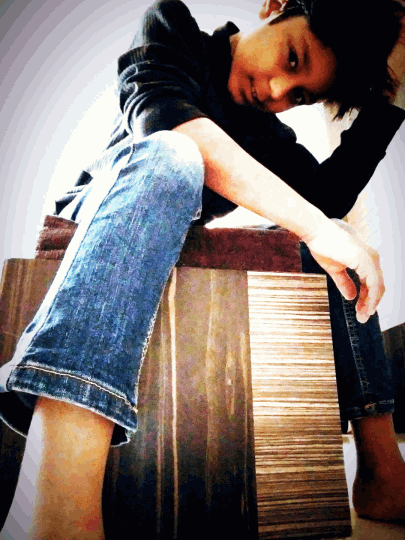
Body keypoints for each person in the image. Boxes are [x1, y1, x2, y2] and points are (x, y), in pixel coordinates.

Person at [1, 0, 405, 537]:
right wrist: (315, 225)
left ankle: (382, 471)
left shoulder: (267, 135)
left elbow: (326, 198)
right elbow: (164, 119)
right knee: (172, 154)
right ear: (275, 7)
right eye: (291, 58)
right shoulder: (174, 28)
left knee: (334, 245)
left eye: (301, 96)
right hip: (101, 213)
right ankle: (58, 502)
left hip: (180, 237)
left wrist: (386, 100)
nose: (278, 92)